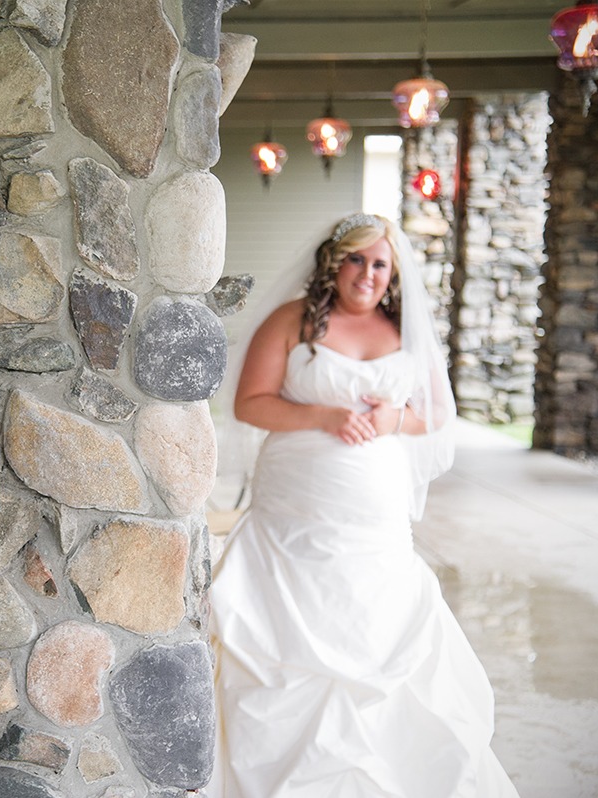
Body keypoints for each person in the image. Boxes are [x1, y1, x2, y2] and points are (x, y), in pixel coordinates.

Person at [206, 213, 519, 797]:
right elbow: (249, 403)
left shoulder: (405, 330)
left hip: (375, 520)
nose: (367, 275)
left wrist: (393, 418)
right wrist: (322, 415)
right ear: (334, 262)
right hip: (291, 518)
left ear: (392, 272)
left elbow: (436, 413)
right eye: (357, 260)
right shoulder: (291, 321)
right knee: (279, 652)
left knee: (380, 630)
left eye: (380, 264)